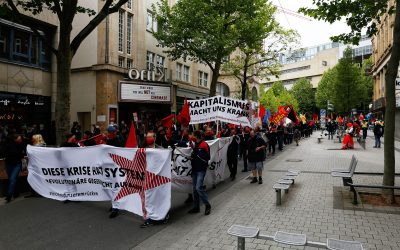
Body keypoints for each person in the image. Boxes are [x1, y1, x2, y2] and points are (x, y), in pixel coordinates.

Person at [140, 132, 170, 228]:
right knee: (148, 198)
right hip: (147, 178)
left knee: (160, 197)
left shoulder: (161, 150)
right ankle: (149, 218)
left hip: (159, 179)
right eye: (147, 137)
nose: (148, 138)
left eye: (150, 137)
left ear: (155, 138)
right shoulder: (142, 149)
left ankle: (164, 214)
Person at [188, 131, 211, 215]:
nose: (191, 136)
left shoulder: (204, 144)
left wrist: (197, 155)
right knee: (194, 190)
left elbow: (208, 157)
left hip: (201, 170)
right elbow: (196, 155)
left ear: (196, 136)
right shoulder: (195, 145)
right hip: (195, 169)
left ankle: (207, 205)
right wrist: (193, 157)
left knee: (198, 188)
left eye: (192, 135)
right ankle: (196, 207)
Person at [4, 134, 25, 203]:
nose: (20, 140)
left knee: (12, 179)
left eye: (20, 139)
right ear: (15, 139)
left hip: (17, 164)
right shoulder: (9, 145)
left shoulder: (21, 145)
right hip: (9, 164)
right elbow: (5, 153)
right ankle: (16, 192)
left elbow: (22, 154)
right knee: (12, 179)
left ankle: (9, 195)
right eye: (19, 139)